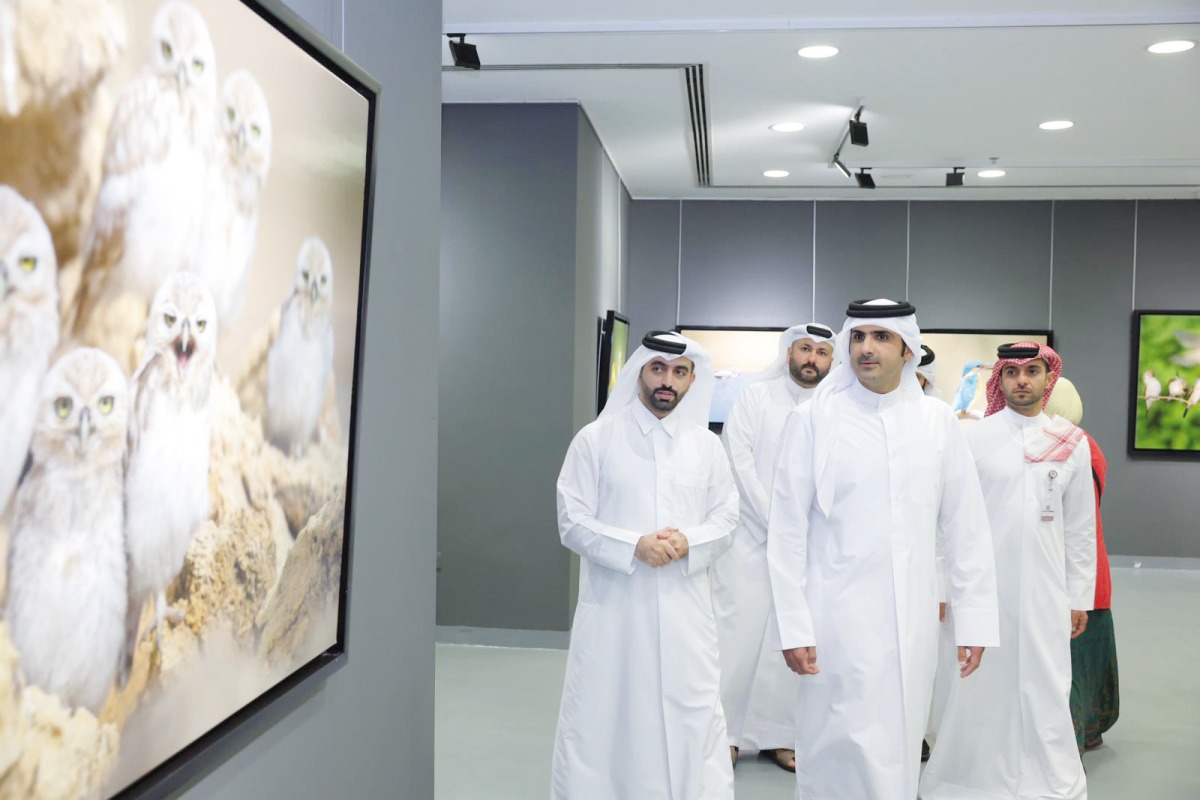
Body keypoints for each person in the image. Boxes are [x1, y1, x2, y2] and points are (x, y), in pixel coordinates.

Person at [767, 299, 1000, 800]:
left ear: (907, 349)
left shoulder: (938, 424)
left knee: (898, 741)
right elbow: (785, 532)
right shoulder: (813, 420)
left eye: (880, 337)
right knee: (833, 744)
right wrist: (793, 624)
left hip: (910, 624)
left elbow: (967, 530)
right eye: (858, 337)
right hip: (833, 621)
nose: (865, 348)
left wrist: (974, 620)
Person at [551, 330, 740, 800]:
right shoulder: (595, 439)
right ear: (639, 372)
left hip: (686, 614)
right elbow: (571, 520)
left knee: (691, 713)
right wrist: (633, 544)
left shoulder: (707, 447)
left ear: (693, 380)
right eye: (658, 369)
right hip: (616, 611)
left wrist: (688, 541)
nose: (667, 382)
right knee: (608, 715)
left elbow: (728, 517)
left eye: (679, 373)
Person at [920, 342, 1096, 800]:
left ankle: (1044, 776)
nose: (1022, 380)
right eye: (1012, 372)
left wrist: (1080, 596)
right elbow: (946, 519)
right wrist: (941, 583)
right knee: (977, 683)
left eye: (1032, 371)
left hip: (1045, 590)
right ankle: (969, 777)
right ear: (999, 380)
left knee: (1045, 681)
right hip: (979, 589)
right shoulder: (971, 437)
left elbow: (1080, 529)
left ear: (1047, 379)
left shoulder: (1070, 443)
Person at [710, 322, 836, 772]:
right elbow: (737, 459)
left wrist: (798, 530)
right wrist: (777, 520)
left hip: (808, 546)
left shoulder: (833, 409)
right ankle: (723, 736)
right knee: (737, 639)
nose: (812, 360)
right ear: (788, 353)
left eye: (822, 353)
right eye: (805, 349)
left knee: (792, 638)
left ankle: (781, 737)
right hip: (748, 539)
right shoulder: (754, 398)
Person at [1043, 376, 1120, 752]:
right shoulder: (1084, 443)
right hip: (1087, 575)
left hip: (1074, 577)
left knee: (1074, 661)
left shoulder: (1072, 448)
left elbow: (1075, 525)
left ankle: (1074, 737)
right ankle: (1088, 729)